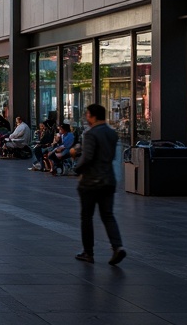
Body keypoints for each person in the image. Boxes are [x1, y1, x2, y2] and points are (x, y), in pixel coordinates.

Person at [73, 103, 126, 265]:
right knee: (108, 215)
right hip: (109, 179)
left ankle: (88, 252)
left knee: (87, 217)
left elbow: (88, 157)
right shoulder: (112, 133)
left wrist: (77, 167)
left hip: (90, 181)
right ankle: (117, 246)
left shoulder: (91, 134)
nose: (86, 117)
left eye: (87, 114)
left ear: (93, 116)